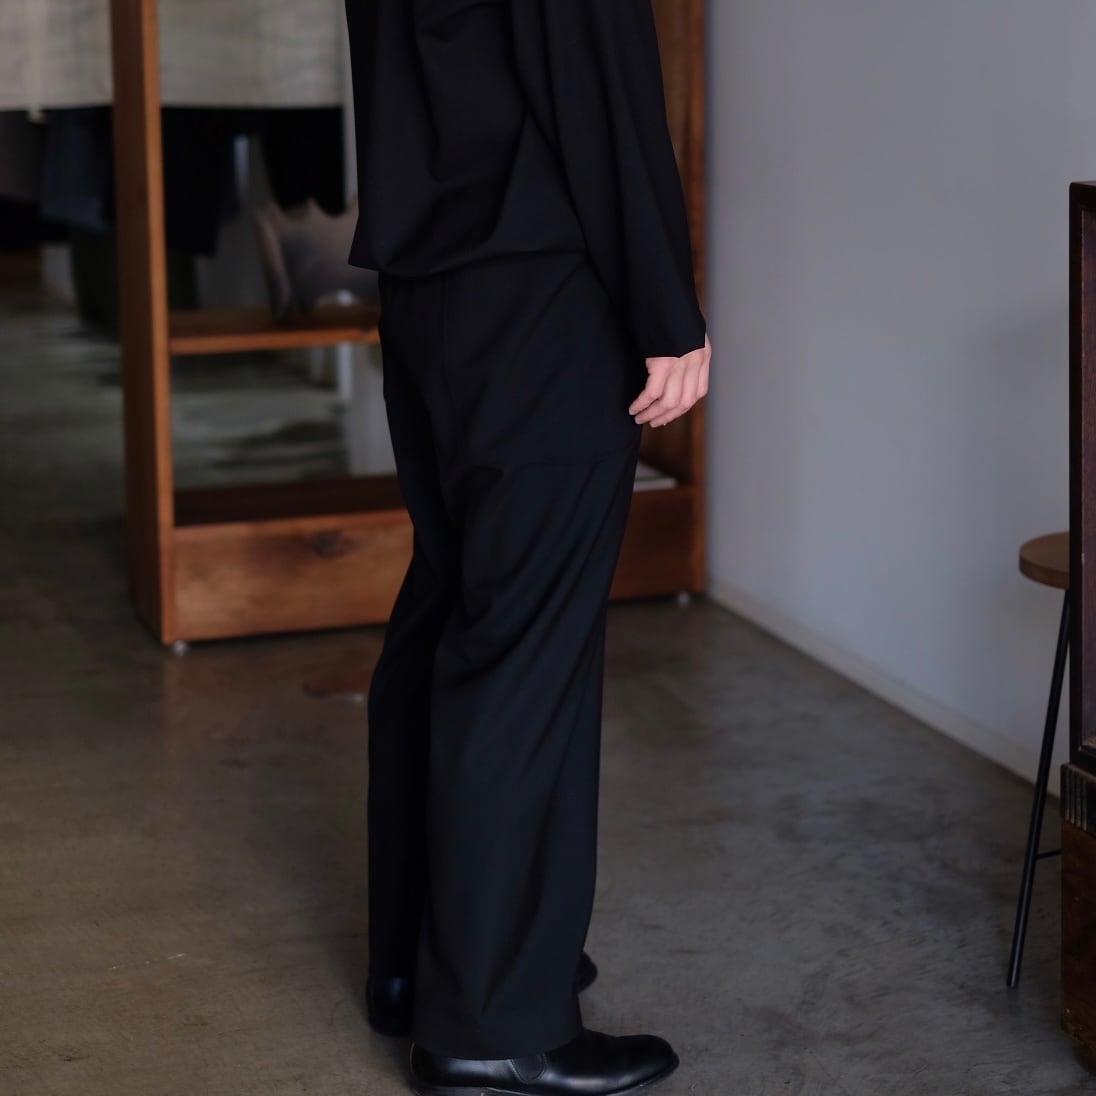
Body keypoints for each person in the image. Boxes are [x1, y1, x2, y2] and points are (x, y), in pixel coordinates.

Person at [343, 2, 711, 1093]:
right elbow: (600, 91)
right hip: (538, 288)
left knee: (452, 611)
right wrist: (669, 311)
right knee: (524, 647)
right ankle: (491, 1021)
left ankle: (420, 965)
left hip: (427, 283)